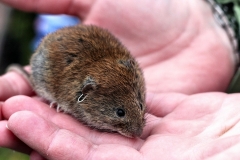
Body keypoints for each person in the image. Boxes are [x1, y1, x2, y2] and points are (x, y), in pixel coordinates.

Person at [0, 0, 239, 159]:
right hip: (57, 58)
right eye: (121, 115)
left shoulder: (130, 72)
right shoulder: (85, 91)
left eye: (139, 105)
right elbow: (76, 97)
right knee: (45, 73)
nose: (137, 128)